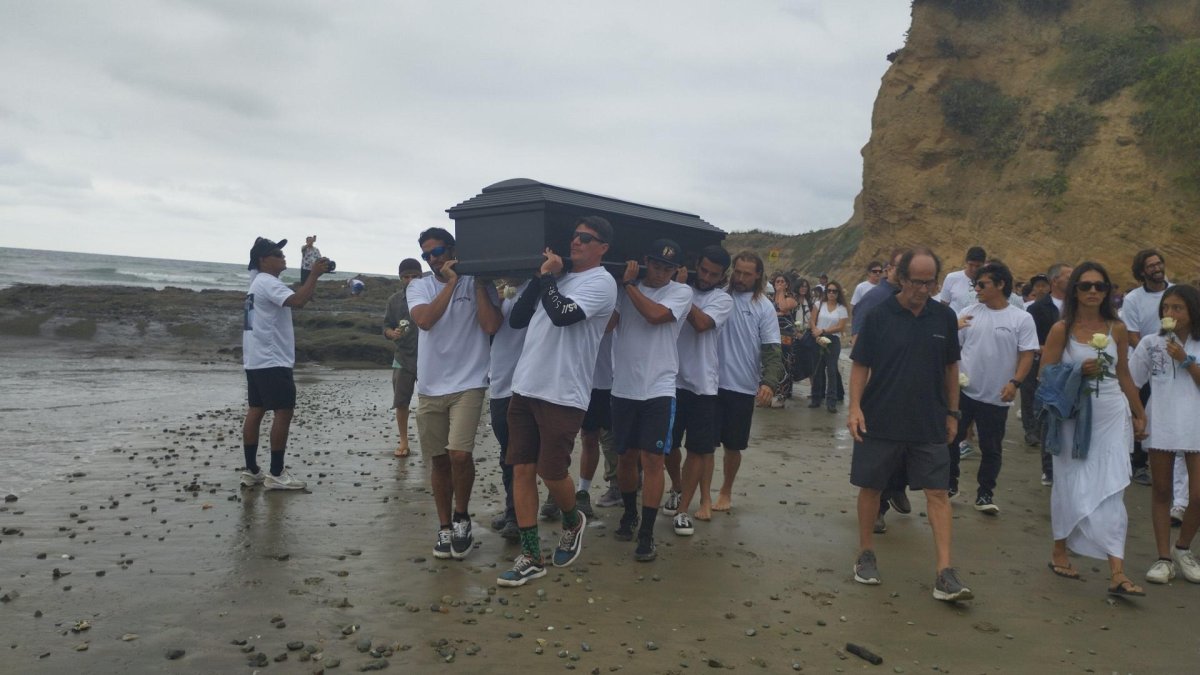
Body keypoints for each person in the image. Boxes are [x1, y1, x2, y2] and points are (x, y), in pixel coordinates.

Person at [496, 216, 618, 586]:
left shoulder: (602, 282)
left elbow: (564, 315)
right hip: (526, 385)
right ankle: (531, 555)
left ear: (603, 248)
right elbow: (517, 318)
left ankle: (572, 518)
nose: (576, 242)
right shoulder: (558, 277)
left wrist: (548, 278)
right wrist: (541, 277)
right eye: (574, 236)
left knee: (551, 472)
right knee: (520, 467)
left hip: (563, 392)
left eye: (586, 238)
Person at [847, 247, 973, 602]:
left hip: (929, 418)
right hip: (880, 416)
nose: (923, 289)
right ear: (901, 278)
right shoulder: (878, 315)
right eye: (916, 282)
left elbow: (951, 367)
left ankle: (945, 571)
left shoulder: (944, 318)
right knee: (871, 486)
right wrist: (855, 408)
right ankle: (866, 553)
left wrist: (953, 412)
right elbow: (860, 365)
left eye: (930, 282)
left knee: (937, 492)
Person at [1039, 262, 1148, 597]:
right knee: (1070, 482)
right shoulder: (1062, 329)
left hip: (1112, 412)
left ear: (1107, 291)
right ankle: (1060, 549)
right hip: (1074, 417)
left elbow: (1125, 374)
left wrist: (1139, 412)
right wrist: (1077, 369)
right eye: (1085, 286)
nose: (1092, 292)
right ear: (1074, 291)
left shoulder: (1117, 327)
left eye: (1099, 287)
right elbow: (1045, 374)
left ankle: (1117, 571)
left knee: (1113, 485)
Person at [407, 227, 502, 561]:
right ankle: (444, 525)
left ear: (453, 249)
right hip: (431, 386)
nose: (434, 258)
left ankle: (462, 517)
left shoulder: (478, 281)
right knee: (438, 459)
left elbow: (492, 326)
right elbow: (425, 320)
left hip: (470, 382)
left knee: (459, 454)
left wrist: (473, 282)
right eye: (427, 254)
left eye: (439, 251)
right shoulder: (419, 285)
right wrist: (449, 284)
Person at [610, 239, 694, 562]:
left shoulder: (680, 292)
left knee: (653, 460)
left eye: (668, 268)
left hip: (659, 388)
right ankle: (629, 513)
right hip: (624, 387)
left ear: (676, 271)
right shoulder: (622, 292)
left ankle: (646, 532)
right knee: (626, 458)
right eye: (657, 265)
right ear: (645, 261)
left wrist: (629, 285)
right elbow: (608, 326)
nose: (661, 273)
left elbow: (656, 316)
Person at [947, 262, 1038, 513]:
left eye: (982, 284)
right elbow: (953, 350)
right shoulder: (968, 313)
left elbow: (1027, 354)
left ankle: (985, 494)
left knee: (991, 447)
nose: (976, 289)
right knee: (951, 439)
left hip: (997, 395)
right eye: (975, 284)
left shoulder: (1021, 318)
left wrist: (1015, 383)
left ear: (1000, 285)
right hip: (964, 392)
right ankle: (950, 482)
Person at [240, 236, 329, 490]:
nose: (283, 257)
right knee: (283, 411)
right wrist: (314, 275)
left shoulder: (256, 280)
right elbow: (299, 301)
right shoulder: (267, 282)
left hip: (254, 358)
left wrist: (308, 267)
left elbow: (298, 296)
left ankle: (251, 470)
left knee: (256, 409)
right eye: (277, 254)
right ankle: (276, 473)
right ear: (263, 260)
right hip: (272, 359)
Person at [1129, 285, 1200, 584]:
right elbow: (1132, 380)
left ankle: (1183, 548)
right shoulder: (1150, 343)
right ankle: (1163, 558)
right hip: (1162, 420)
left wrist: (1185, 359)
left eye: (1177, 308)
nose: (1170, 314)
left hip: (1196, 421)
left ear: (1192, 312)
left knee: (1197, 494)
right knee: (1161, 490)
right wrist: (1138, 415)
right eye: (1166, 308)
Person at [664, 246, 734, 536]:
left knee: (697, 449)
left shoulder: (722, 299)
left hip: (704, 385)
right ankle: (678, 488)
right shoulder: (677, 287)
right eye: (703, 270)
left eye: (713, 274)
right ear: (696, 264)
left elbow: (703, 323)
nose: (706, 277)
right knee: (667, 445)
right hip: (670, 379)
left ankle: (683, 510)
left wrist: (682, 293)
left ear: (722, 276)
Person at [714, 251, 784, 512]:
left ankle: (725, 491)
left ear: (758, 276)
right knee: (702, 446)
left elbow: (773, 351)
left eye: (746, 274)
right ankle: (700, 494)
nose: (740, 278)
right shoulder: (719, 295)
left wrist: (769, 383)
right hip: (710, 384)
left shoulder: (763, 307)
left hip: (742, 386)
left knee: (733, 446)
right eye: (737, 272)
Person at [849, 249, 910, 532]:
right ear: (888, 270)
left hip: (909, 389)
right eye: (901, 268)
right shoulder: (874, 298)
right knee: (880, 455)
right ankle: (880, 506)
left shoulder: (916, 300)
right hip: (880, 388)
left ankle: (898, 486)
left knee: (905, 448)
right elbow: (859, 342)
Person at [1121, 249, 1173, 488]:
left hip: (1173, 362)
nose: (1157, 268)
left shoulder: (1175, 293)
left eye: (1159, 263)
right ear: (1142, 272)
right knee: (1140, 409)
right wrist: (1150, 354)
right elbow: (1133, 334)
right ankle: (1138, 463)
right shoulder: (1133, 299)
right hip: (1143, 363)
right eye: (1151, 265)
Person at [486, 278, 531, 542]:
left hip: (524, 385)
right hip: (500, 383)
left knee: (522, 454)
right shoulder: (505, 293)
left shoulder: (536, 288)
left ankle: (518, 514)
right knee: (508, 453)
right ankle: (512, 509)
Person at [1023, 263, 1072, 477]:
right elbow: (1032, 341)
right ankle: (1048, 468)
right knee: (1047, 415)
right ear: (1055, 281)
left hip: (1073, 368)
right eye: (1068, 276)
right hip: (1046, 366)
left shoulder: (1078, 307)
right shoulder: (1037, 308)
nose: (1074, 279)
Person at [383, 258, 423, 457]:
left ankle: (431, 440)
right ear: (400, 278)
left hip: (428, 358)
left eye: (415, 276)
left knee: (430, 402)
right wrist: (391, 334)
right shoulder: (394, 301)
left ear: (421, 276)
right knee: (401, 401)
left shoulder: (430, 297)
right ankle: (403, 441)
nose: (410, 280)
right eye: (406, 277)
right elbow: (386, 326)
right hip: (402, 357)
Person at [810, 280, 849, 413]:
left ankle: (831, 401)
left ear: (838, 293)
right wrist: (816, 333)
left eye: (834, 291)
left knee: (832, 370)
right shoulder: (818, 304)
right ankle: (816, 398)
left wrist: (824, 331)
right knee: (817, 369)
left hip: (833, 340)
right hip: (818, 338)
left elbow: (841, 326)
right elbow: (812, 320)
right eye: (829, 291)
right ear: (826, 292)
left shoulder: (842, 308)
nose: (831, 293)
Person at [770, 273, 799, 407]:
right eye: (777, 281)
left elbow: (782, 307)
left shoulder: (791, 298)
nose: (780, 283)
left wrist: (781, 293)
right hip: (770, 334)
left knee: (784, 365)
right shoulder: (769, 299)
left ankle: (781, 396)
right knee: (769, 363)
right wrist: (777, 314)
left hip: (785, 336)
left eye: (782, 282)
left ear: (787, 284)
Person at [936, 246, 987, 313]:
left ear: (983, 264)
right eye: (971, 265)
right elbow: (943, 306)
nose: (974, 269)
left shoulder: (988, 282)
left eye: (978, 266)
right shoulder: (951, 278)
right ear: (966, 262)